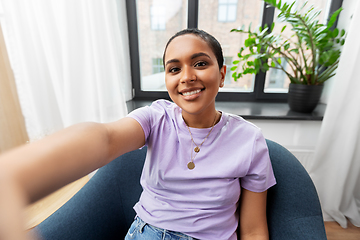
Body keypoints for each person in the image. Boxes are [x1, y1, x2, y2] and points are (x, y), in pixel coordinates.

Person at [0, 28, 276, 240]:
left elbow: (252, 230)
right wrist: (17, 175)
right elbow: (106, 138)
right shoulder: (156, 117)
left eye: (200, 63)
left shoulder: (249, 140)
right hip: (148, 233)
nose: (186, 76)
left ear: (222, 73)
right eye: (174, 68)